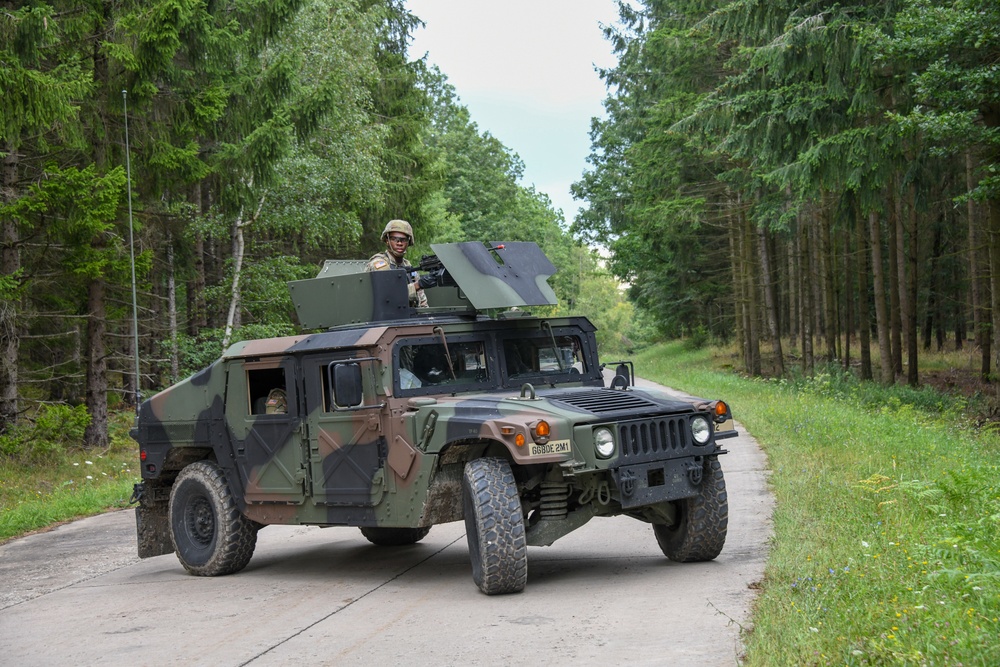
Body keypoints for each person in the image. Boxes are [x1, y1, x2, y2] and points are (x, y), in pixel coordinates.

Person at [366, 219, 429, 307]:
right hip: (385, 317)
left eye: (403, 240)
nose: (399, 243)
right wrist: (417, 285)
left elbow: (422, 303)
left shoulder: (408, 267)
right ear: (387, 240)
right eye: (394, 239)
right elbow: (390, 296)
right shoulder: (379, 263)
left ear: (408, 242)